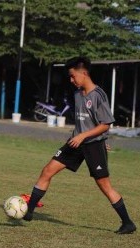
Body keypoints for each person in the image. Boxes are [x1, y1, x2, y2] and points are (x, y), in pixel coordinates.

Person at [22, 56, 136, 235]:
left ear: (84, 73)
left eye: (73, 76)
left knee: (104, 186)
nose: (71, 80)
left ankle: (127, 223)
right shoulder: (77, 94)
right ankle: (29, 212)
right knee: (47, 170)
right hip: (76, 142)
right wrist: (79, 135)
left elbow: (105, 124)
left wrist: (94, 138)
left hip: (93, 145)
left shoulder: (98, 96)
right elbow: (84, 122)